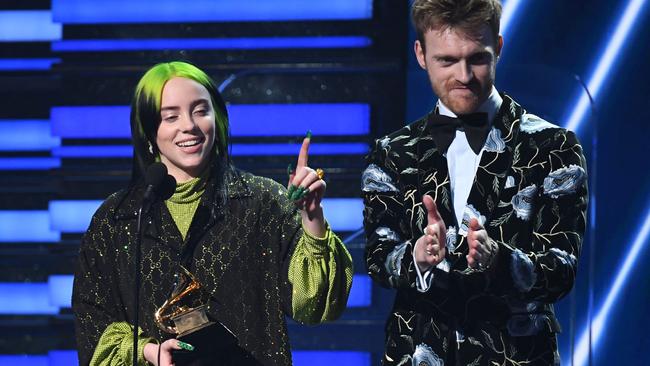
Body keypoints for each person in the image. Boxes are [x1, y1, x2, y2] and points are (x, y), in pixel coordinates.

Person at [72, 61, 353, 366]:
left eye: (200, 111)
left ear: (217, 119)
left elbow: (314, 306)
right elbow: (93, 324)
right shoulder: (118, 218)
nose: (189, 126)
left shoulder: (262, 201)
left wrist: (312, 216)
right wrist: (147, 351)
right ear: (148, 131)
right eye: (171, 116)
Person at [362, 0, 588, 364]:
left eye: (477, 58)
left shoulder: (553, 147)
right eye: (447, 61)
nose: (464, 75)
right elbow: (378, 255)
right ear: (420, 54)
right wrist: (416, 256)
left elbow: (562, 269)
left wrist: (500, 260)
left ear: (498, 48)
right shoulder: (392, 153)